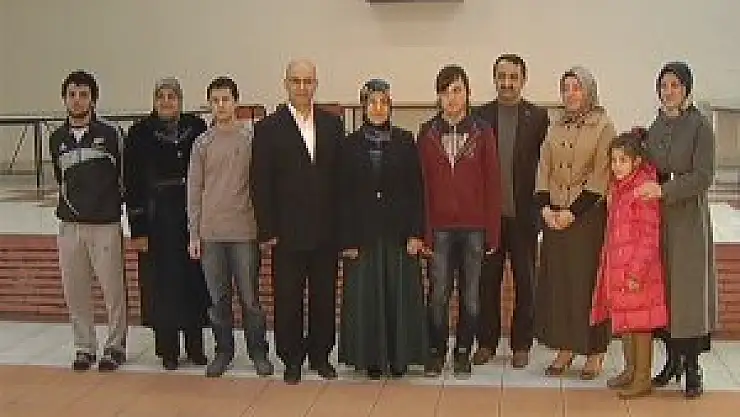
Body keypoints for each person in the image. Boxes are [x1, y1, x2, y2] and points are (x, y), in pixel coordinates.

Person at [251, 59, 344, 384]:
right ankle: (291, 359)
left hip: (325, 232)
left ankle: (320, 356)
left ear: (316, 84)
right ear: (286, 84)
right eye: (296, 81)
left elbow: (341, 180)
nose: (302, 87)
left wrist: (342, 230)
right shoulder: (268, 128)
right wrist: (267, 229)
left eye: (308, 81)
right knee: (288, 299)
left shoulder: (333, 125)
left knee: (324, 298)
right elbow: (259, 182)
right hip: (286, 233)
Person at [337, 79, 427, 379]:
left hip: (398, 235)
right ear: (364, 106)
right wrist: (346, 239)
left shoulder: (405, 140)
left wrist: (416, 233)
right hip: (362, 237)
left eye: (384, 102)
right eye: (372, 102)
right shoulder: (348, 144)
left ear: (390, 106)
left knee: (399, 297)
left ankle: (400, 357)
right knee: (367, 298)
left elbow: (416, 190)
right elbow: (342, 195)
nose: (378, 108)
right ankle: (371, 358)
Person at [637, 61, 716, 399]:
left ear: (687, 89)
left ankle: (693, 367)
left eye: (675, 85)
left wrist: (665, 190)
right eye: (663, 86)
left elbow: (703, 176)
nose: (668, 92)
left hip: (687, 220)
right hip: (659, 220)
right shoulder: (656, 125)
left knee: (687, 294)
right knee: (664, 291)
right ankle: (672, 361)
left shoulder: (700, 126)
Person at [417, 64, 501, 377]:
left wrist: (492, 230)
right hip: (439, 229)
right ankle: (436, 350)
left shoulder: (483, 131)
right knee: (438, 294)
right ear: (438, 97)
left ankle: (463, 350)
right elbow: (421, 186)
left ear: (467, 93)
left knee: (472, 296)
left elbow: (493, 183)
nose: (451, 98)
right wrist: (424, 231)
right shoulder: (427, 133)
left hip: (474, 229)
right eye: (445, 92)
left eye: (457, 90)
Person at [187, 76, 274, 378]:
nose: (221, 105)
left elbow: (263, 185)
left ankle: (258, 351)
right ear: (209, 104)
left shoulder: (251, 140)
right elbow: (194, 190)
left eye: (226, 99)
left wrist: (265, 229)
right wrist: (194, 233)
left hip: (245, 232)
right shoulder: (202, 143)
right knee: (218, 300)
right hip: (211, 234)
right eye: (215, 101)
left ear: (236, 102)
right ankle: (223, 351)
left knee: (250, 299)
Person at [533, 66, 614, 379]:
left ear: (589, 91)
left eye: (576, 87)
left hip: (587, 218)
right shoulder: (555, 125)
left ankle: (595, 351)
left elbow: (601, 174)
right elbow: (544, 167)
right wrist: (545, 207)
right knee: (560, 285)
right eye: (566, 88)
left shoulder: (604, 126)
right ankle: (565, 347)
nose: (570, 94)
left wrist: (573, 212)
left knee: (588, 285)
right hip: (555, 217)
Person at [124, 77, 210, 370]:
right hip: (157, 221)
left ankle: (196, 347)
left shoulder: (196, 128)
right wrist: (138, 229)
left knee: (193, 283)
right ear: (154, 100)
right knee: (163, 287)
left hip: (190, 218)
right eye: (160, 96)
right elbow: (132, 183)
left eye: (172, 96)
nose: (166, 101)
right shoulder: (139, 134)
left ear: (180, 100)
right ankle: (168, 350)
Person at [473, 54, 549, 368]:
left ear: (523, 80)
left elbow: (546, 166)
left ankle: (521, 344)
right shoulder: (479, 116)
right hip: (489, 218)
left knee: (526, 284)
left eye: (513, 77)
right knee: (487, 283)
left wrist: (543, 209)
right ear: (494, 79)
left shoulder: (538, 117)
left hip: (524, 217)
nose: (507, 83)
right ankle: (486, 343)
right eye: (501, 77)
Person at [49, 70, 127, 372]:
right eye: (72, 94)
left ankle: (115, 347)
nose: (77, 100)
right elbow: (61, 178)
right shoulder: (57, 139)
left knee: (113, 291)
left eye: (83, 94)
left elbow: (124, 177)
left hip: (105, 225)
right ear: (64, 99)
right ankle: (84, 347)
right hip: (70, 227)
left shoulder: (111, 134)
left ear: (93, 99)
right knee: (76, 291)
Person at [590, 128, 668, 398]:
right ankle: (631, 369)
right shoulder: (619, 189)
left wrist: (636, 272)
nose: (616, 166)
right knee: (626, 320)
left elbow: (649, 235)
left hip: (638, 271)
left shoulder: (642, 191)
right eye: (613, 160)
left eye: (622, 160)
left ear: (636, 161)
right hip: (620, 268)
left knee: (641, 324)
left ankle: (642, 377)